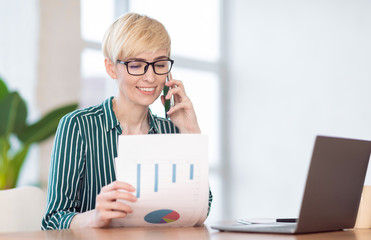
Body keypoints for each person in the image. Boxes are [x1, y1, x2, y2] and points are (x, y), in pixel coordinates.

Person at [41, 12, 212, 230]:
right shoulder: (78, 126)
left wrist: (190, 133)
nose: (150, 77)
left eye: (159, 64)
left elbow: (201, 209)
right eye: (137, 64)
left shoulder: (171, 130)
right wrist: (95, 218)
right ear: (112, 68)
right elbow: (53, 221)